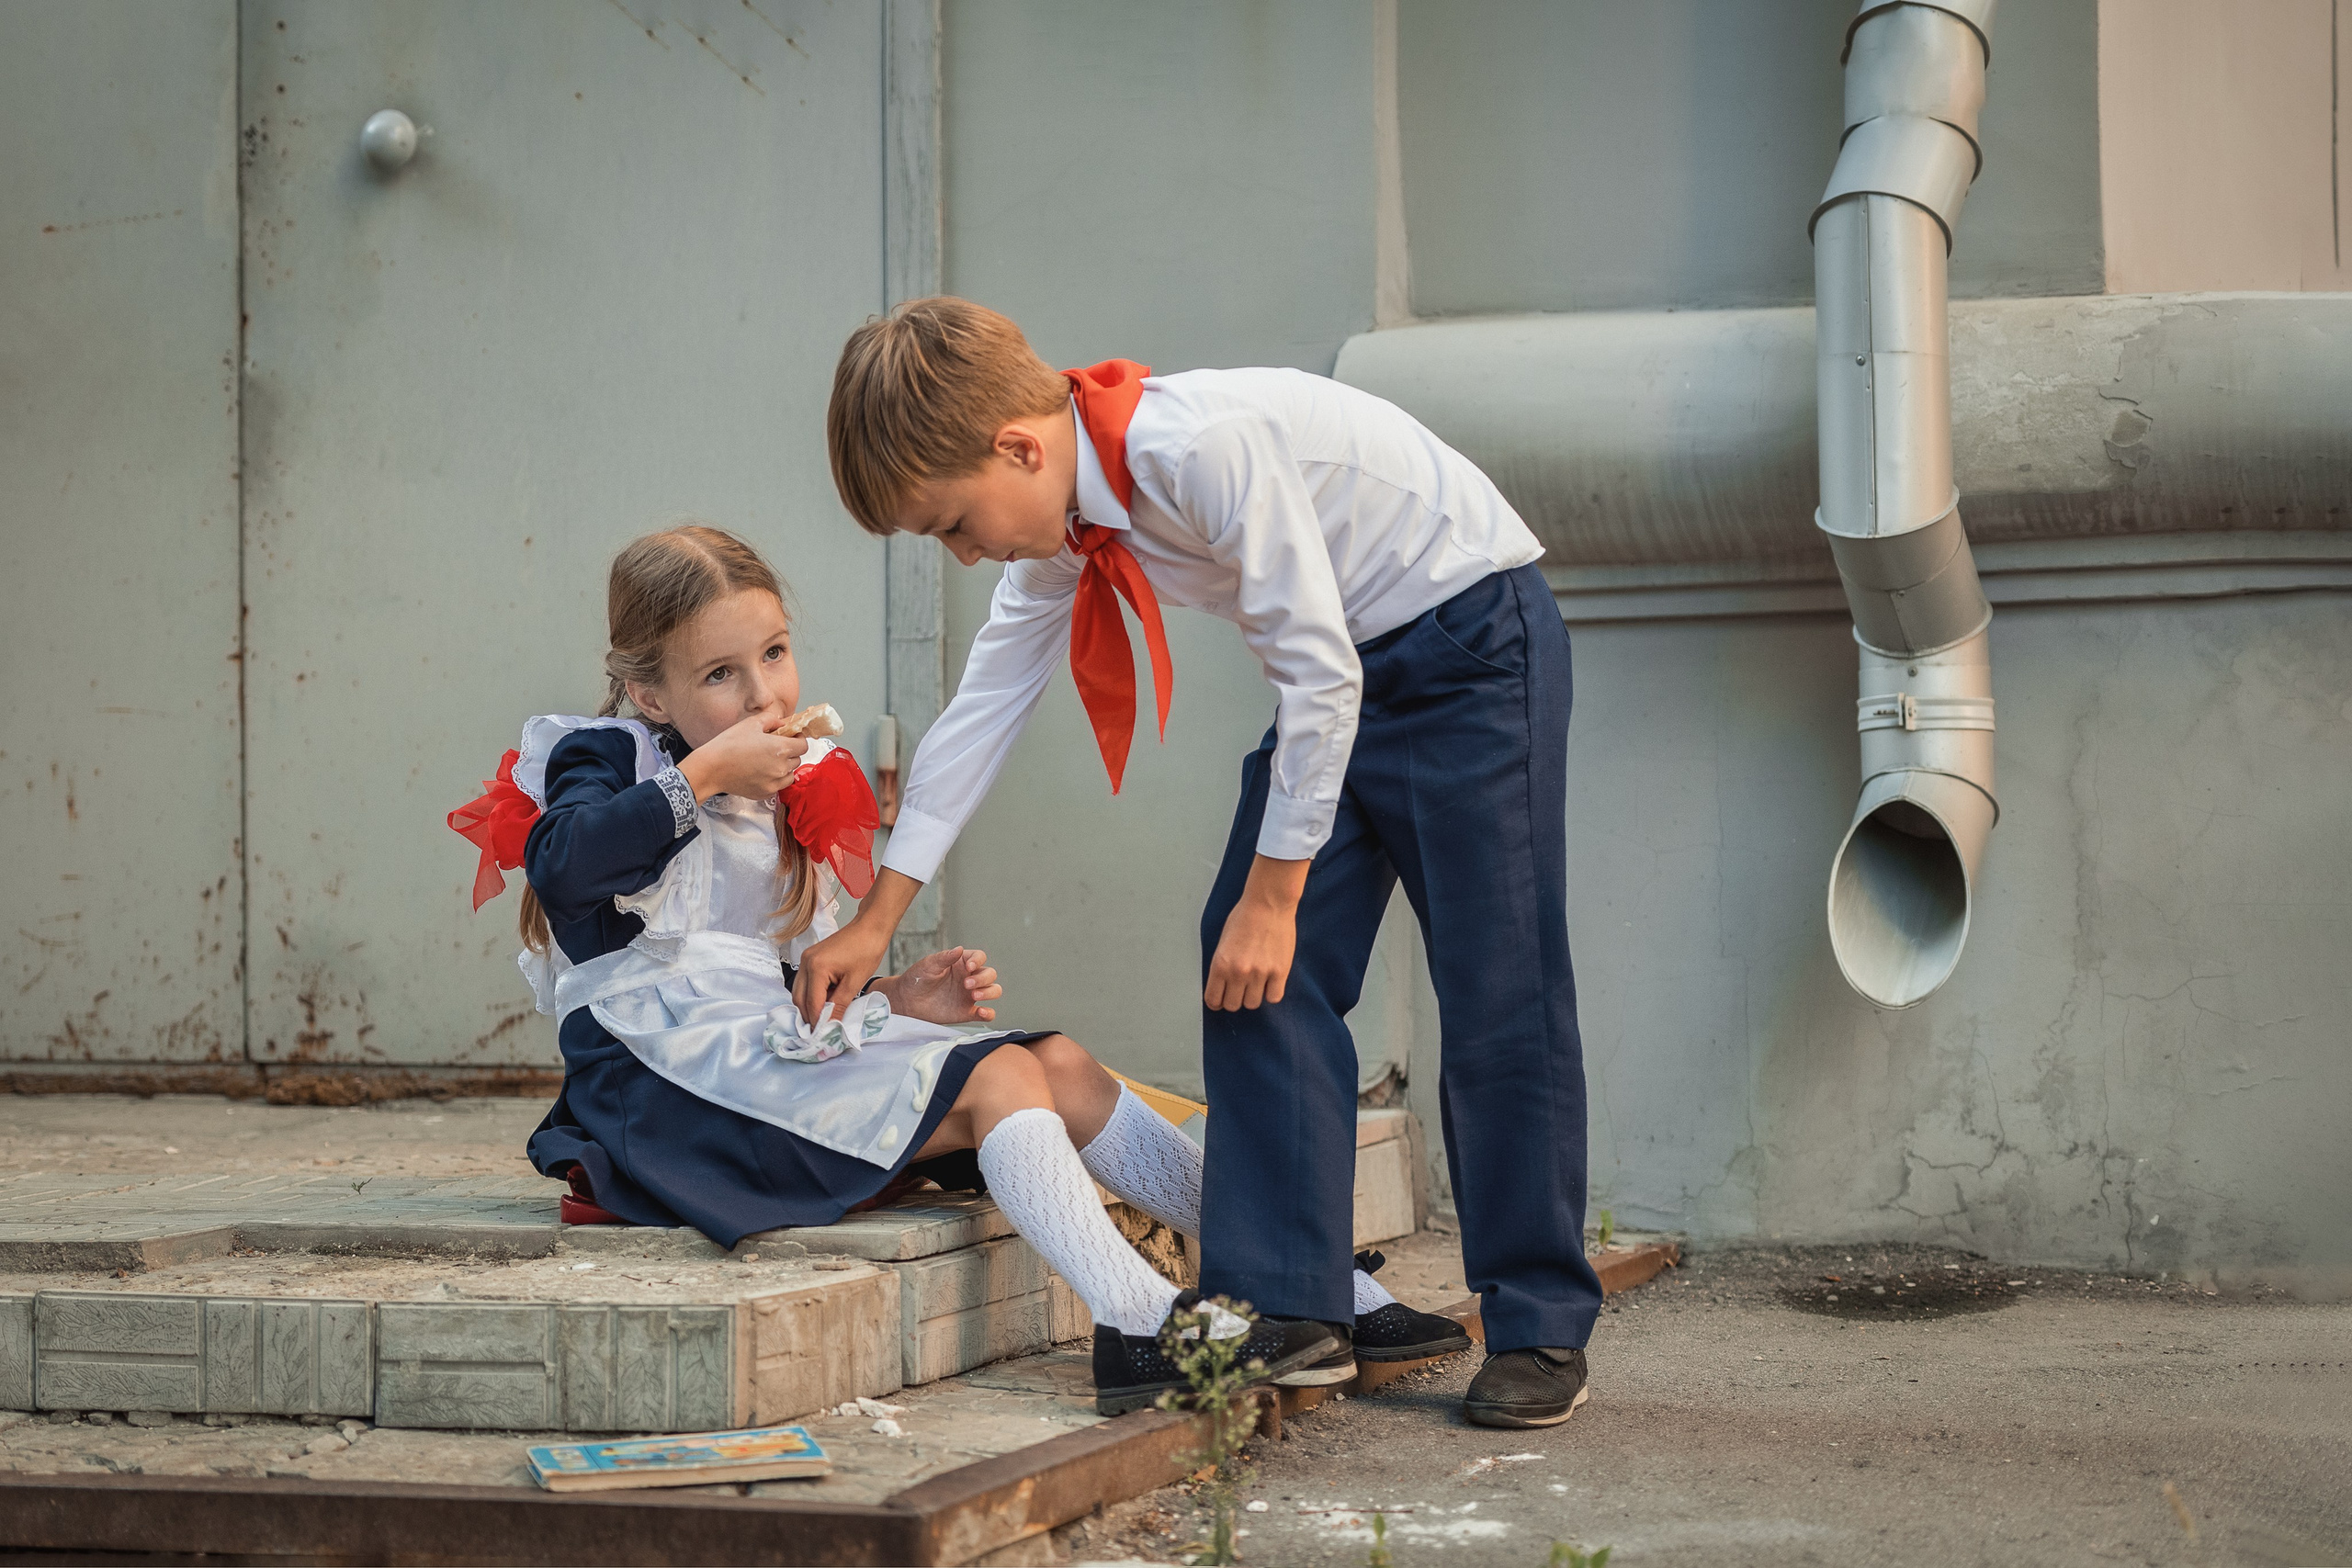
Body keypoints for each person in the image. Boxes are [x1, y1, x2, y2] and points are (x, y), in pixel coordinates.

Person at [801, 299, 1605, 1428]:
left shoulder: (1196, 452)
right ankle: (1293, 1305)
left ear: (1019, 449)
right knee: (1248, 965)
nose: (966, 553)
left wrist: (1280, 894)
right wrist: (877, 919)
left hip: (1467, 643)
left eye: (953, 525)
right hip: (1348, 675)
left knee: (1494, 987)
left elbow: (1318, 673)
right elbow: (982, 713)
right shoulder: (1068, 524)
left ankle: (1536, 1323)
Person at [445, 524, 1336, 1415]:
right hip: (659, 1084)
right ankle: (1139, 1321)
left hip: (759, 1049)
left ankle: (1299, 1279)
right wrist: (706, 773)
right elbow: (564, 863)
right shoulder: (604, 757)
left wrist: (893, 999)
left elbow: (792, 982)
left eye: (775, 653)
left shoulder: (789, 794)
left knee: (1055, 1061)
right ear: (647, 690)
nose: (763, 694)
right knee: (1001, 1079)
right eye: (720, 676)